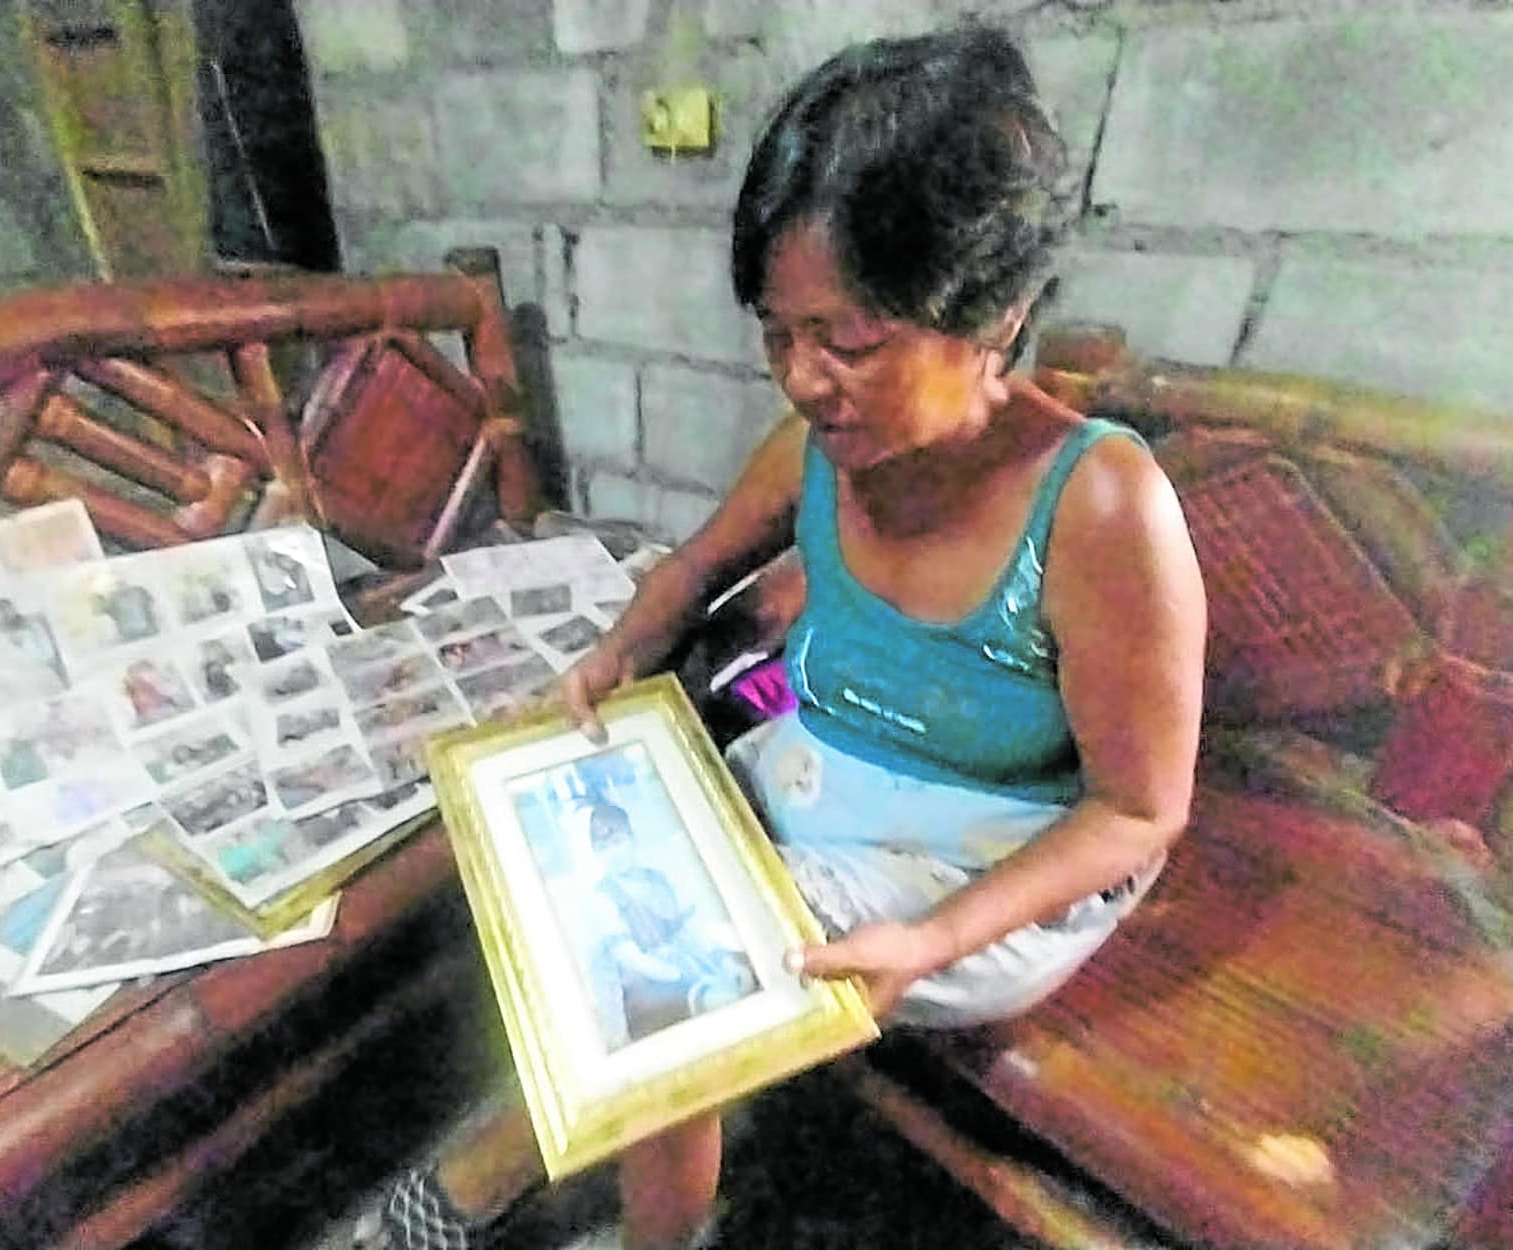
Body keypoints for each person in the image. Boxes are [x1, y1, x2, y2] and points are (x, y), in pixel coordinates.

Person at [348, 27, 1205, 1250]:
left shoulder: (1099, 505)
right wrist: (609, 662)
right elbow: (695, 567)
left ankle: (551, 1211)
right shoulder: (815, 443)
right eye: (775, 334)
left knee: (687, 961)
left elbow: (1135, 811)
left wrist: (932, 940)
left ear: (995, 313)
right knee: (592, 876)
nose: (803, 380)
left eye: (849, 342)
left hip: (993, 859)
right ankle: (596, 1154)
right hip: (822, 778)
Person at [577, 798, 757, 1049]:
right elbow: (631, 958)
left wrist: (724, 963)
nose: (614, 854)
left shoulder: (657, 880)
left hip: (686, 966)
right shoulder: (602, 899)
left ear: (632, 839)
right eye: (604, 848)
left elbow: (691, 929)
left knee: (744, 979)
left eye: (618, 842)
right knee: (717, 1001)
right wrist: (683, 977)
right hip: (647, 986)